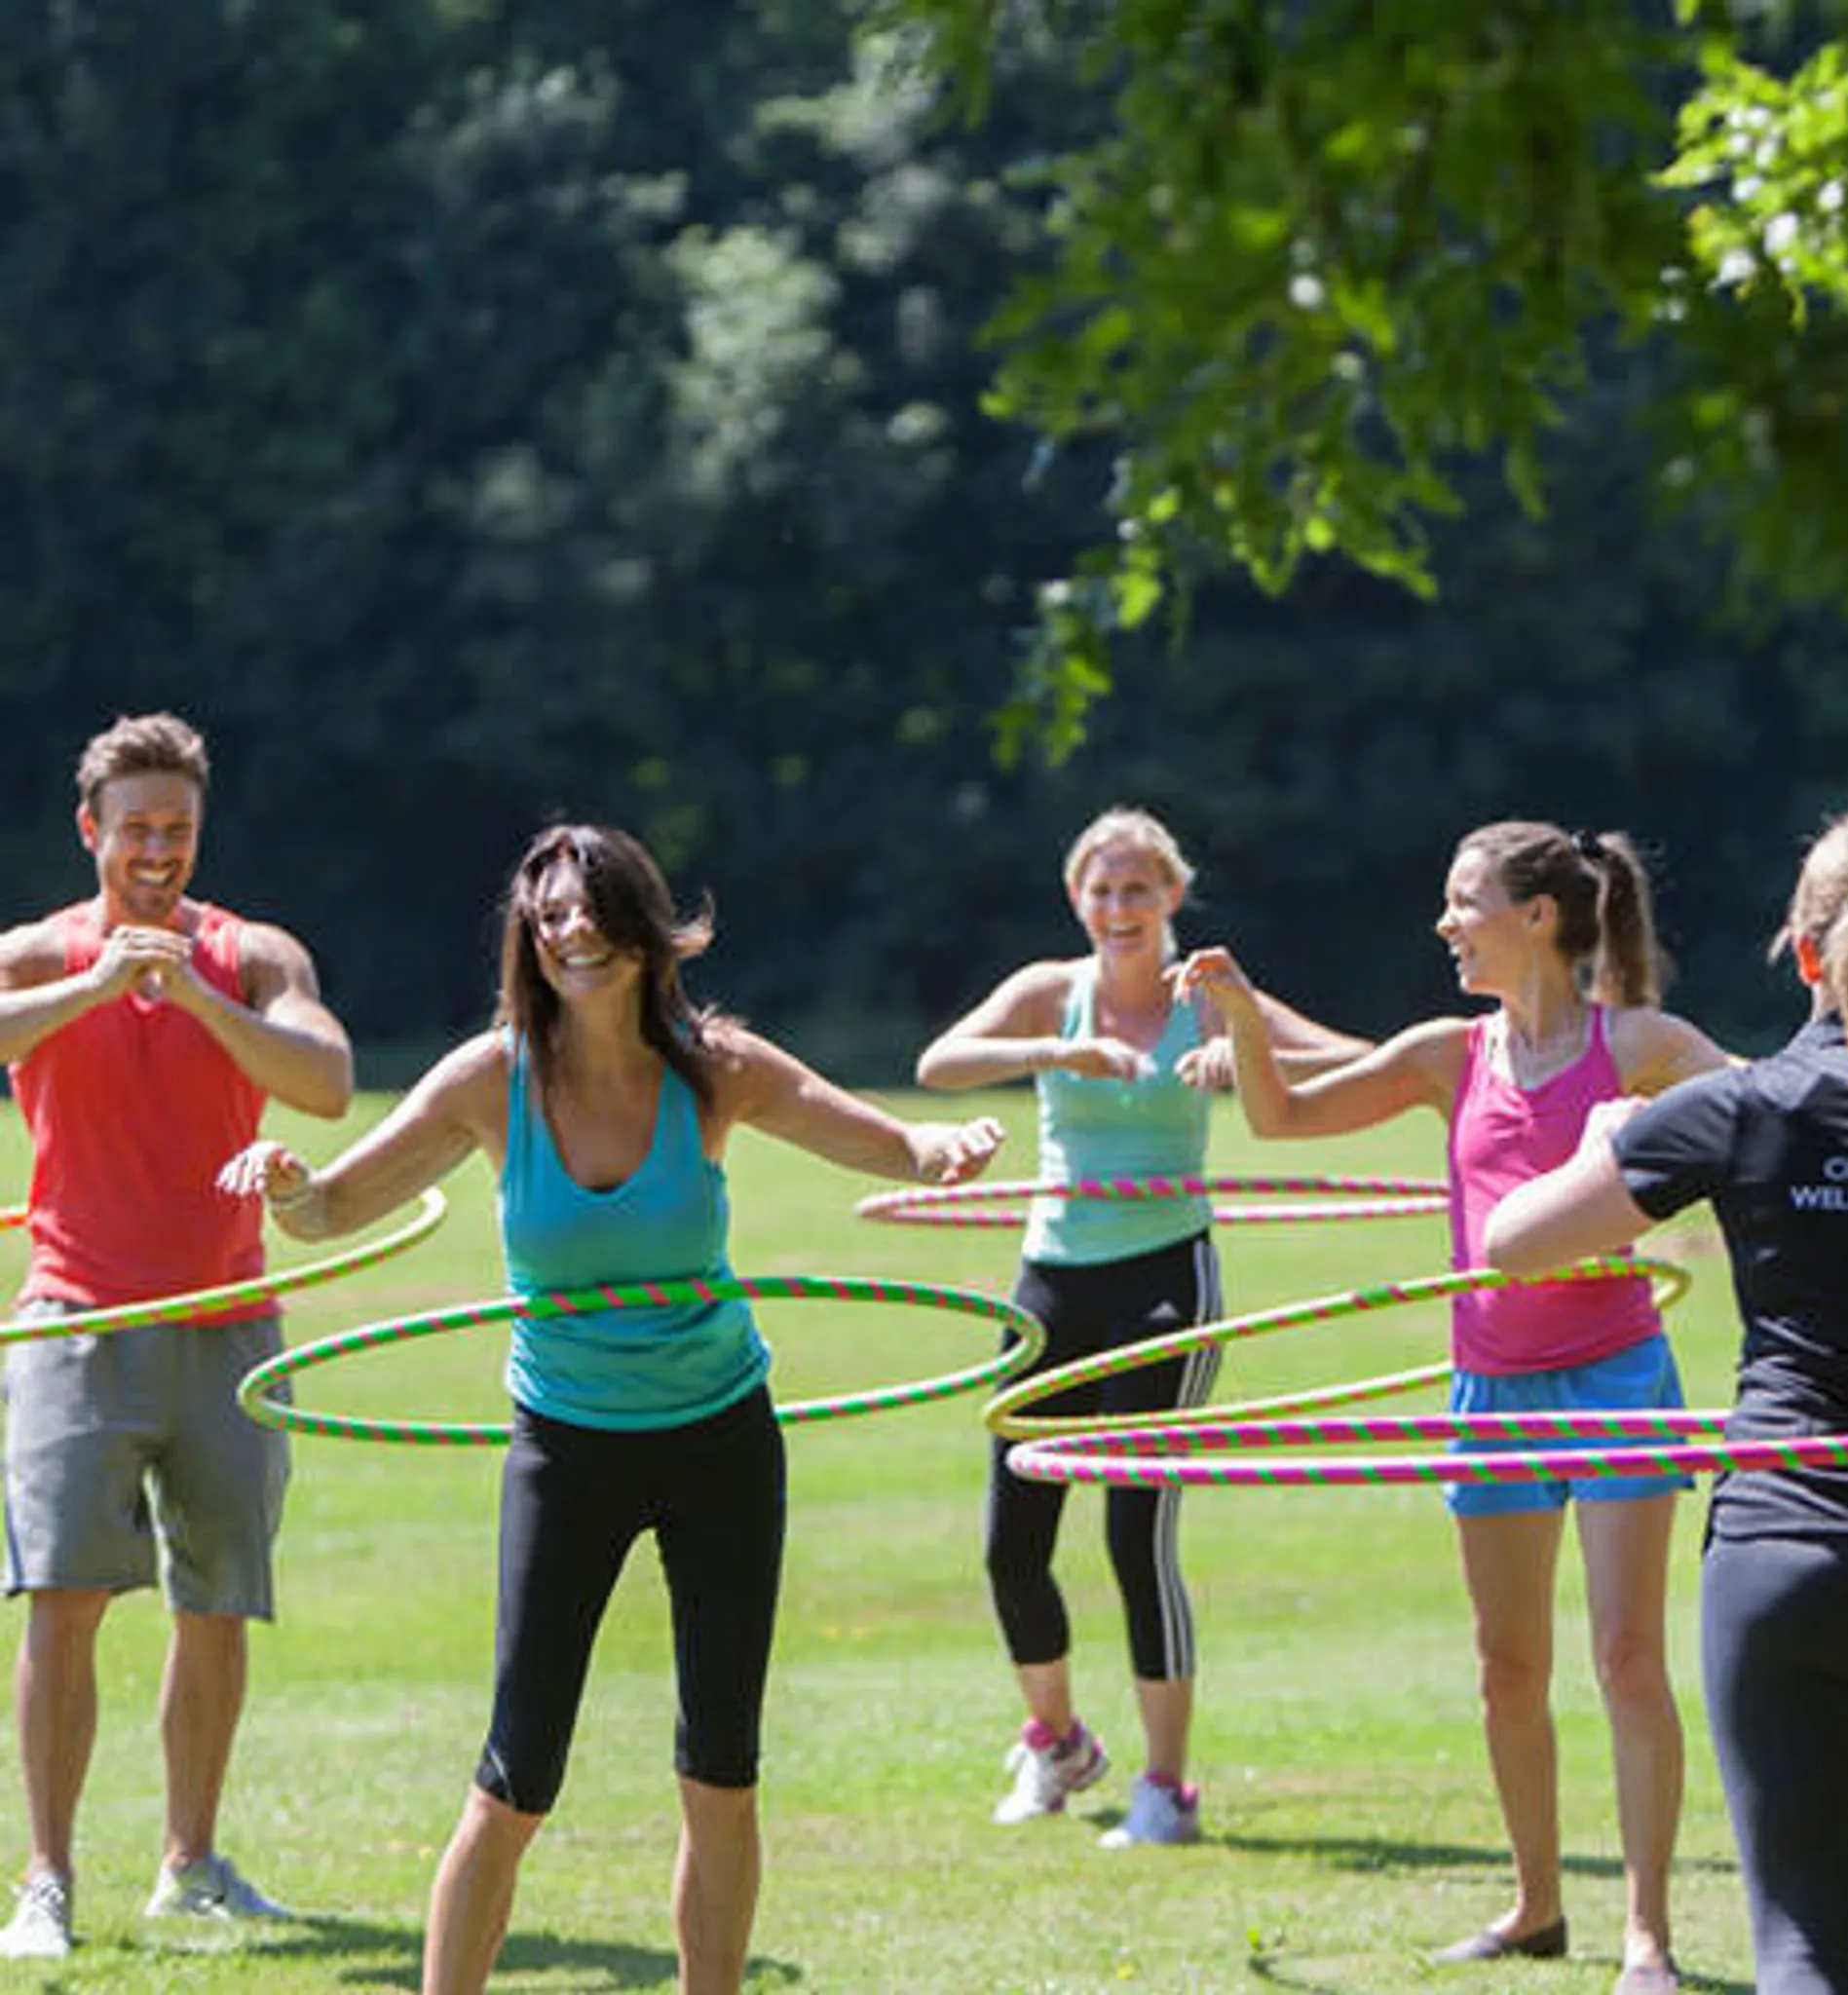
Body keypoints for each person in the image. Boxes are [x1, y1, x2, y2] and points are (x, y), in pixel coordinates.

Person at [217, 821, 1002, 1995]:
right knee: (514, 1771)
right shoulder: (490, 1079)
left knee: (720, 1768)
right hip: (566, 1446)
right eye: (548, 919)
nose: (570, 933)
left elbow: (882, 1139)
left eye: (590, 911)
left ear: (642, 927)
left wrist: (942, 1143)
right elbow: (332, 1211)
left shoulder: (715, 1064)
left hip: (719, 1435)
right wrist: (288, 1184)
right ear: (528, 944)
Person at [1177, 820, 1730, 1995]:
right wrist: (1238, 1017)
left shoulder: (1633, 1043)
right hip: (1490, 1388)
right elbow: (1282, 1120)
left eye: (1461, 900)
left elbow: (1771, 1114)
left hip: (1618, 1373)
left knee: (1628, 1656)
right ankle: (1534, 1906)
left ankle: (1646, 1936)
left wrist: (1645, 1140)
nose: (1442, 922)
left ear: (1536, 914)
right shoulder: (1446, 1053)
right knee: (1504, 1662)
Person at [1484, 812, 1848, 1995]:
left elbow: (1514, 1243)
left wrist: (1608, 1137)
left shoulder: (1739, 1107)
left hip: (1783, 1557)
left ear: (1799, 951)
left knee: (1801, 1949)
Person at [915, 806, 1372, 1848]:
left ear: (1172, 895)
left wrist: (1242, 1048)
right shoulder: (1052, 989)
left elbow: (1355, 1062)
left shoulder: (1205, 994)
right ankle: (1057, 1737)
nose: (1118, 907)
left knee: (1134, 1528)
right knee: (1009, 1539)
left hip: (1166, 1278)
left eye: (1138, 888)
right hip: (1049, 1280)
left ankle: (1166, 1786)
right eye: (1101, 889)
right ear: (1079, 899)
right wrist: (1058, 1052)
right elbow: (940, 1062)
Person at [0, 711, 356, 1958]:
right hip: (75, 1317)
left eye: (180, 829)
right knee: (62, 1596)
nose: (159, 850)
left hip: (227, 1319)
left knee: (216, 1603)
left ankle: (189, 1862)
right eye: (137, 827)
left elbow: (325, 1082)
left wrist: (198, 998)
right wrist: (94, 986)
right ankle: (45, 1879)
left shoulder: (249, 951)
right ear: (89, 828)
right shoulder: (37, 951)